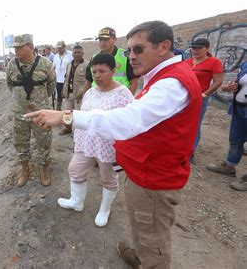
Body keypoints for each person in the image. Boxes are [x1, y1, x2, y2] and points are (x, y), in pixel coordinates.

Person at [25, 21, 202, 268]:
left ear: (163, 47)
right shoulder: (160, 78)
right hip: (144, 171)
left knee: (153, 240)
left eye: (139, 49)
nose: (132, 57)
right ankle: (141, 256)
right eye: (129, 50)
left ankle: (148, 259)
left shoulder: (172, 84)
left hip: (155, 177)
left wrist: (67, 116)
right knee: (144, 227)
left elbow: (127, 120)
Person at [57, 53, 133, 227]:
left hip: (108, 147)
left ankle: (104, 209)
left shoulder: (123, 94)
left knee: (108, 178)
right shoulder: (90, 91)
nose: (97, 75)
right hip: (86, 144)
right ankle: (77, 201)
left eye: (102, 71)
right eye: (95, 71)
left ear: (113, 71)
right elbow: (83, 116)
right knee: (75, 170)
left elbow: (129, 124)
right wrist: (77, 138)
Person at [6, 34, 56, 187]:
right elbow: (9, 85)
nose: (16, 50)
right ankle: (25, 169)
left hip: (40, 112)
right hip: (19, 112)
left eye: (19, 47)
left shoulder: (45, 64)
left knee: (43, 141)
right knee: (20, 142)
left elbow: (51, 85)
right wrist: (20, 99)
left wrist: (40, 100)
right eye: (15, 47)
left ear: (30, 47)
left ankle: (43, 169)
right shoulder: (11, 65)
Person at [206, 61, 247, 191]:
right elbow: (239, 83)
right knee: (235, 139)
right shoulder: (246, 64)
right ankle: (229, 166)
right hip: (240, 108)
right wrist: (227, 88)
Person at [184, 38, 223, 158]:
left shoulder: (214, 62)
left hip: (200, 99)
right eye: (193, 47)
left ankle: (190, 152)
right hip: (184, 98)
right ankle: (180, 148)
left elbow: (218, 81)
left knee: (194, 125)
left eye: (199, 48)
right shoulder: (187, 62)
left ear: (207, 48)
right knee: (181, 123)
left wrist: (204, 95)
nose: (195, 50)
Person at [84, 27, 138, 95]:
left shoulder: (124, 56)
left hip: (119, 98)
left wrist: (127, 99)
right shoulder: (94, 58)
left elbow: (134, 81)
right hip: (97, 97)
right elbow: (88, 81)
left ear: (114, 39)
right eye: (100, 40)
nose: (103, 43)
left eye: (106, 39)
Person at [60, 45, 89, 135]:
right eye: (75, 52)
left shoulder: (86, 65)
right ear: (72, 54)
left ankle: (77, 132)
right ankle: (68, 128)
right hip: (69, 92)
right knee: (67, 112)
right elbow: (66, 78)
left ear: (82, 53)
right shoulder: (69, 65)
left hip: (80, 94)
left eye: (78, 52)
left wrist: (84, 92)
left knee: (78, 114)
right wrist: (63, 91)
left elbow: (89, 80)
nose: (76, 54)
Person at [52, 41, 73, 110]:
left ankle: (68, 111)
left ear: (64, 47)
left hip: (67, 80)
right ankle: (58, 110)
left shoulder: (70, 55)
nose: (58, 49)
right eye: (57, 48)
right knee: (59, 97)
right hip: (58, 80)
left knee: (68, 97)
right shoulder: (55, 56)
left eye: (60, 48)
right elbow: (53, 67)